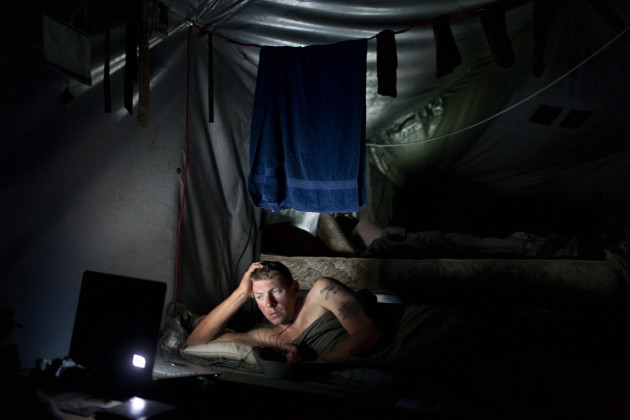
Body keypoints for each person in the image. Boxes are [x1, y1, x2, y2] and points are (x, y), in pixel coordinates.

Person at [185, 260, 381, 363]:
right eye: (259, 296)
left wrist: (310, 365)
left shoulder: (322, 291)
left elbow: (369, 333)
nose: (268, 303)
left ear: (294, 289)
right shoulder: (265, 335)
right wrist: (241, 294)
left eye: (276, 292)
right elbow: (194, 343)